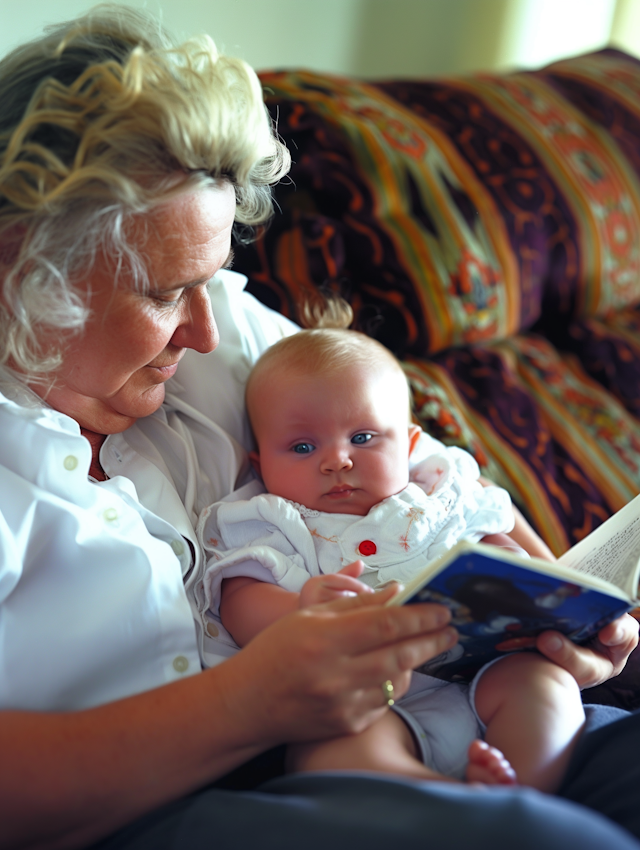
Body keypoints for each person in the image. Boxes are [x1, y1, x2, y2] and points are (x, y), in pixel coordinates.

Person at [0, 6, 639, 850]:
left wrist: (561, 614)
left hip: (447, 704)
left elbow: (424, 462)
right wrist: (246, 702)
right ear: (19, 261)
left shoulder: (212, 323)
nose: (205, 335)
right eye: (161, 294)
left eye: (214, 277)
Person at [199, 323, 584, 791]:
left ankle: (524, 790)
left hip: (486, 672)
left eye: (362, 438)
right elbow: (239, 602)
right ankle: (443, 801)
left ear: (410, 443)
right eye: (303, 447)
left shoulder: (439, 495)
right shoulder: (274, 522)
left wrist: (511, 563)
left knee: (547, 688)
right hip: (364, 703)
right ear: (261, 465)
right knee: (328, 755)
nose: (337, 460)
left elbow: (494, 536)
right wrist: (301, 611)